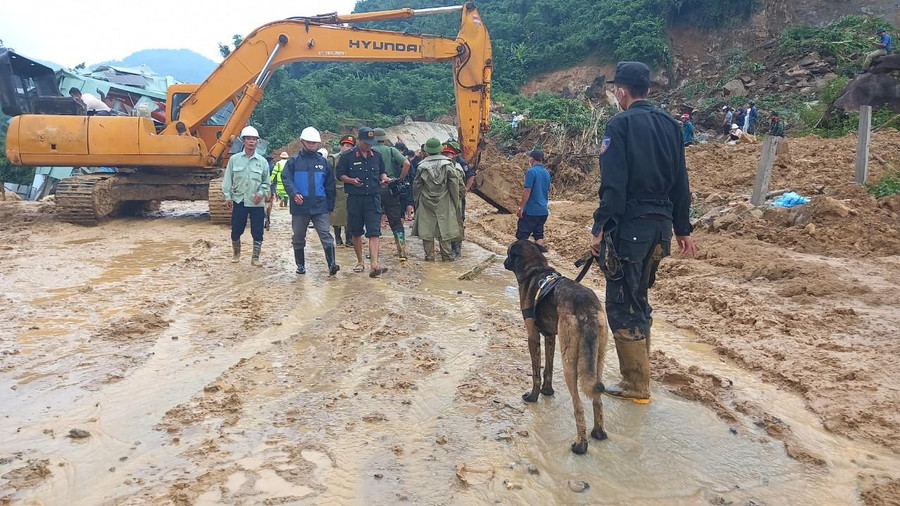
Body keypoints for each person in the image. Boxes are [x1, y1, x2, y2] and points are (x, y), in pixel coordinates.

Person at [590, 61, 696, 402]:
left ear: (622, 91)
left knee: (623, 303)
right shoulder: (671, 124)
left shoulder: (619, 124)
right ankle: (641, 373)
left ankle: (637, 385)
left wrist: (599, 227)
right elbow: (682, 182)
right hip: (661, 230)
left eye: (615, 91)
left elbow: (614, 187)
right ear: (647, 89)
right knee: (640, 298)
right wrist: (683, 227)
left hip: (630, 227)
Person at [281, 127, 339, 276]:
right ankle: (300, 265)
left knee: (325, 234)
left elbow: (330, 185)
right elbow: (286, 179)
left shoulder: (323, 163)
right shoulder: (293, 161)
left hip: (320, 206)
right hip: (300, 206)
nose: (313, 145)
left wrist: (330, 206)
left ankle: (332, 264)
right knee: (298, 236)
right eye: (310, 142)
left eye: (315, 143)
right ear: (302, 142)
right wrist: (294, 193)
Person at [336, 126, 391, 278]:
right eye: (366, 142)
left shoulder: (377, 156)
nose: (368, 145)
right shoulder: (348, 156)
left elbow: (382, 171)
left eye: (370, 143)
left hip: (373, 198)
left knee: (374, 231)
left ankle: (374, 264)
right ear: (358, 140)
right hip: (355, 198)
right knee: (356, 231)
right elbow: (340, 174)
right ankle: (360, 261)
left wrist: (384, 178)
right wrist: (352, 180)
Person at [222, 125, 271, 266]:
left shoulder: (262, 162)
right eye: (248, 139)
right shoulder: (234, 160)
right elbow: (227, 180)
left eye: (254, 139)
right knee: (236, 229)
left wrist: (261, 193)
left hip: (256, 202)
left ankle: (255, 258)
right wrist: (227, 196)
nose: (251, 142)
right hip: (240, 200)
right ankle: (236, 254)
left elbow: (266, 182)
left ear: (257, 142)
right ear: (243, 141)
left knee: (258, 231)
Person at [412, 138, 465, 261]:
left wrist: (417, 202)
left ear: (426, 151)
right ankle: (447, 257)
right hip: (445, 200)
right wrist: (455, 202)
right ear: (440, 150)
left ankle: (429, 257)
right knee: (445, 229)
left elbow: (417, 187)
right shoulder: (449, 165)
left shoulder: (421, 166)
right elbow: (454, 186)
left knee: (427, 230)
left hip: (426, 201)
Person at [372, 128, 412, 261]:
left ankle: (373, 254)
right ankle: (402, 253)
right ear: (384, 138)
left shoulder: (369, 151)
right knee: (396, 222)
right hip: (390, 189)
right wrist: (399, 179)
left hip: (373, 190)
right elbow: (406, 163)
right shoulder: (391, 150)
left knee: (374, 222)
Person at [515, 148, 551, 252]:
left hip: (531, 211)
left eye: (529, 158)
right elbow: (547, 191)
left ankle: (523, 259)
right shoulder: (546, 173)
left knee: (522, 236)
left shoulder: (531, 172)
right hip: (543, 211)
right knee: (539, 235)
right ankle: (538, 259)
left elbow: (527, 190)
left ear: (532, 159)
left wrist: (521, 207)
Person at [329, 135, 355, 247]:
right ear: (341, 146)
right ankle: (338, 238)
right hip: (337, 191)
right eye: (346, 145)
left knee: (350, 215)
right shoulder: (333, 159)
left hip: (350, 191)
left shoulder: (355, 158)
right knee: (337, 216)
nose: (348, 148)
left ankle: (349, 239)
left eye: (350, 146)